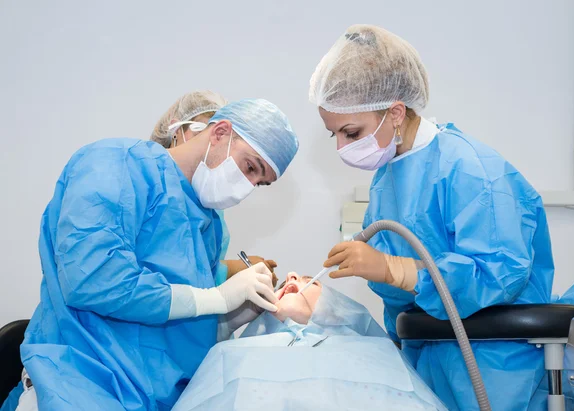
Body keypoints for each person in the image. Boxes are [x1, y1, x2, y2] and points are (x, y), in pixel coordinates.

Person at [308, 24, 574, 411]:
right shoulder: (387, 180)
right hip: (428, 360)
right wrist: (360, 287)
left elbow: (498, 274)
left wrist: (393, 268)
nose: (343, 147)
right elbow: (401, 300)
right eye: (335, 136)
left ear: (395, 112)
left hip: (494, 368)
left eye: (351, 131)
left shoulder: (473, 170)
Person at [5, 98, 299, 411]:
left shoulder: (208, 225)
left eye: (260, 182)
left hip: (154, 399)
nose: (248, 186)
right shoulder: (113, 164)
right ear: (220, 133)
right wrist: (218, 299)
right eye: (251, 167)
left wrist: (233, 315)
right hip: (78, 387)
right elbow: (91, 279)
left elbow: (179, 319)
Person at [172, 272, 448, 411]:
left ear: (338, 308)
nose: (291, 276)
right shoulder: (230, 353)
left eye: (309, 281)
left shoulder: (377, 351)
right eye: (283, 284)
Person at [150, 90, 278, 287]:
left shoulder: (209, 212)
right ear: (176, 131)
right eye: (200, 131)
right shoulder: (139, 182)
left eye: (259, 183)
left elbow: (197, 277)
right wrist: (230, 275)